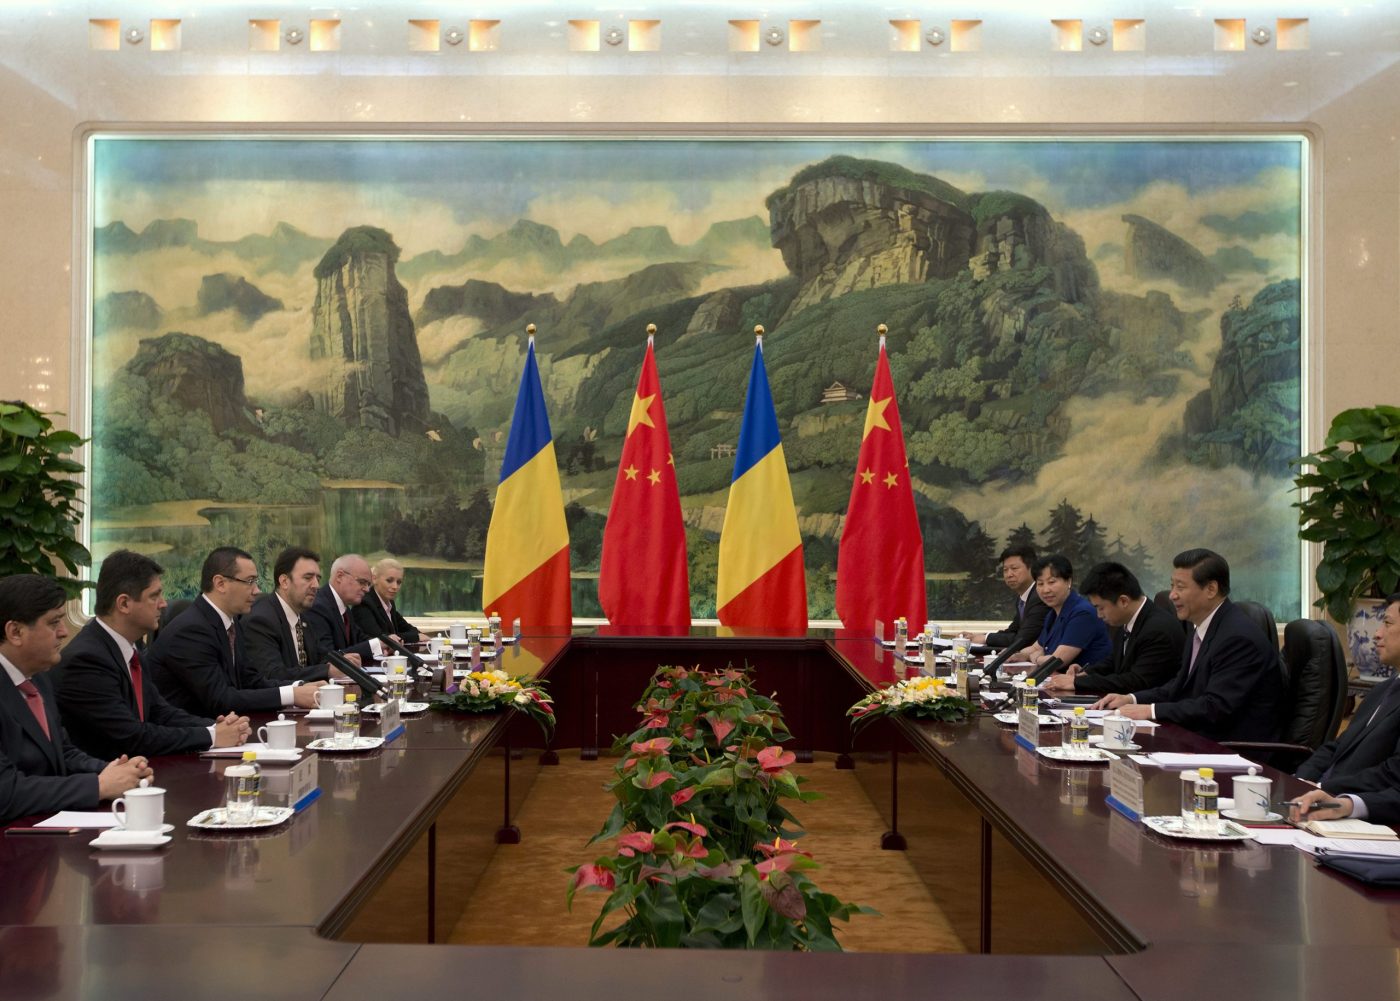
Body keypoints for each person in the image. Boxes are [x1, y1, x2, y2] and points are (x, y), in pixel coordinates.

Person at [56, 550, 250, 759]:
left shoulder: (130, 647)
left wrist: (220, 726)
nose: (163, 603)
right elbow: (133, 736)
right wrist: (212, 735)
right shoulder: (86, 660)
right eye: (154, 596)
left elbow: (159, 711)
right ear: (124, 604)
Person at [0, 574, 152, 824]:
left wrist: (112, 771)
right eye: (53, 623)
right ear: (15, 632)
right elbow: (6, 792)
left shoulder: (37, 678)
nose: (63, 632)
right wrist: (97, 786)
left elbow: (63, 752)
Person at [1094, 548, 1283, 742]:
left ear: (1211, 589)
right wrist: (1132, 699)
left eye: (1180, 587)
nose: (1172, 595)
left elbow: (1215, 707)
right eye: (1172, 586)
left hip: (1233, 750)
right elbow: (1179, 686)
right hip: (1199, 738)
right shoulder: (1201, 629)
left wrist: (1150, 710)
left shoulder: (1238, 638)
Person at [148, 547, 324, 716]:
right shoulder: (191, 630)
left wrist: (298, 687)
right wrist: (292, 695)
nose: (257, 590)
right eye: (250, 581)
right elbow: (220, 699)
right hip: (194, 734)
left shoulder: (231, 622)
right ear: (220, 583)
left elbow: (250, 680)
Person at [1291, 593, 1400, 823]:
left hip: (1360, 817)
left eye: (1388, 623)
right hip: (1321, 804)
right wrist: (1299, 781)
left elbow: (1392, 773)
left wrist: (1325, 787)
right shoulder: (1384, 689)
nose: (1377, 634)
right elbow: (1337, 747)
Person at [1043, 561, 1184, 697]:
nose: (1099, 615)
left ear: (1123, 601)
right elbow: (1114, 661)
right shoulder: (1129, 619)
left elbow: (1136, 681)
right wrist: (1086, 672)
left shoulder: (1157, 629)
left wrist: (1077, 682)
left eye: (1101, 608)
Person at [242, 547, 352, 684]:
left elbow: (320, 656)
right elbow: (272, 674)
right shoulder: (261, 620)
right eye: (308, 578)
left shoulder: (302, 616)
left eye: (318, 578)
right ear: (284, 582)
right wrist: (327, 670)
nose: (316, 585)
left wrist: (343, 659)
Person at [1019, 555, 1111, 670]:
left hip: (1088, 684)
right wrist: (1017, 655)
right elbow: (1036, 648)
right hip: (1059, 682)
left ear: (1068, 581)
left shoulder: (1083, 613)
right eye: (1040, 584)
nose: (1046, 590)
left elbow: (1057, 661)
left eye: (1051, 582)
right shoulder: (1052, 614)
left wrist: (1037, 659)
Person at [304, 554, 387, 665]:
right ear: (340, 576)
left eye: (368, 584)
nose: (367, 589)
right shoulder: (318, 606)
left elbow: (359, 638)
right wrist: (376, 645)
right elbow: (327, 657)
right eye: (362, 582)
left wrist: (384, 644)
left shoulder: (344, 607)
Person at [980, 545, 1048, 655]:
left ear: (1032, 568)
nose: (1009, 575)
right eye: (1005, 570)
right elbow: (1013, 631)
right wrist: (982, 636)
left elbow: (1022, 639)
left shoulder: (1039, 597)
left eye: (1014, 569)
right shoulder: (1023, 598)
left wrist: (986, 638)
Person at [352, 557, 419, 646]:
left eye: (399, 582)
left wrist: (413, 635)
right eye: (389, 580)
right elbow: (382, 639)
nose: (395, 586)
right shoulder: (364, 604)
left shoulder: (389, 603)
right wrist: (415, 637)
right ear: (374, 579)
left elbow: (411, 630)